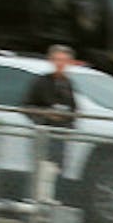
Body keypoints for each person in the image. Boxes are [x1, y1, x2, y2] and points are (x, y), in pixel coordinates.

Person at [23, 44, 77, 201]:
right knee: (41, 172)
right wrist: (45, 115)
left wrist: (66, 120)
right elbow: (26, 105)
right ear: (51, 61)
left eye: (64, 60)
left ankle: (50, 203)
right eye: (57, 60)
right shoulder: (41, 82)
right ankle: (37, 203)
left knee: (56, 171)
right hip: (44, 133)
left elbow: (73, 110)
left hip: (60, 136)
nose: (61, 64)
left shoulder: (68, 84)